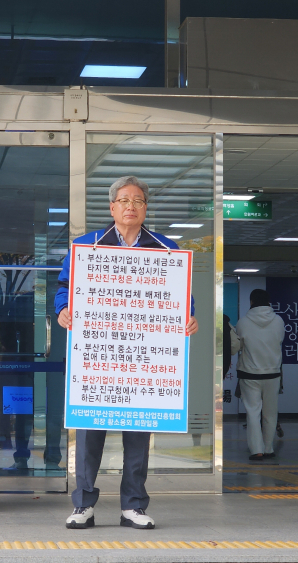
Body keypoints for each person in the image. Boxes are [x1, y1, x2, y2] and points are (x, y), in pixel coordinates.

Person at [55, 175, 199, 530]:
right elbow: (64, 287)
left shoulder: (166, 248)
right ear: (112, 207)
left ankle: (133, 505)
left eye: (137, 200)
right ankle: (83, 505)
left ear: (145, 208)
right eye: (123, 200)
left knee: (139, 433)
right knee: (89, 432)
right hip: (99, 357)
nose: (130, 206)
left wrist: (188, 316)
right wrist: (62, 309)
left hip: (144, 361)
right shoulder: (87, 246)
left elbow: (181, 294)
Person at [235, 289, 285, 461]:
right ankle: (269, 448)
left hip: (249, 373)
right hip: (272, 373)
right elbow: (279, 342)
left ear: (251, 302)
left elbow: (238, 346)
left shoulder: (243, 322)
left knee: (253, 412)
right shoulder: (278, 321)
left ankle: (257, 450)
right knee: (271, 413)